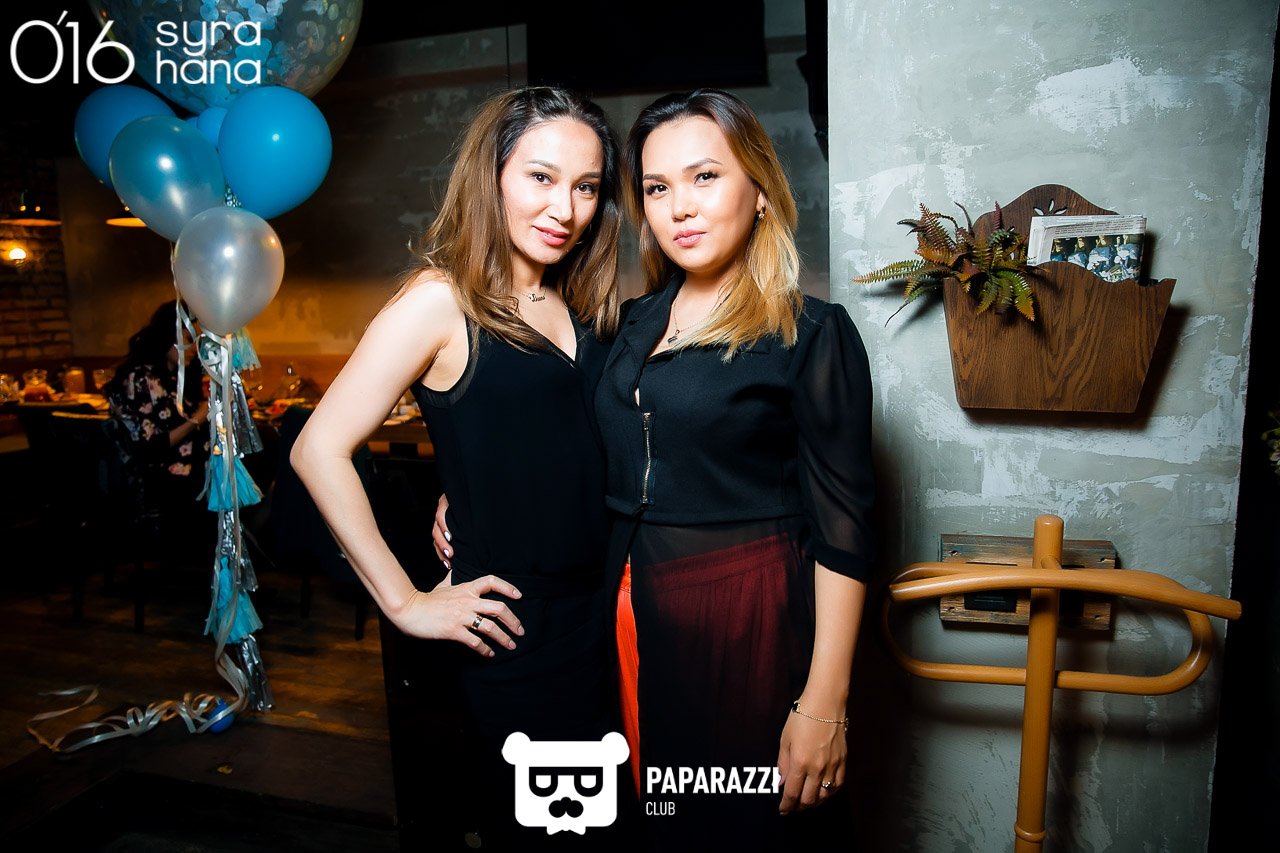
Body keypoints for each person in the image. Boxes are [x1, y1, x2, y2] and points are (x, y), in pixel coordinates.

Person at [433, 89, 876, 850]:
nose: (681, 207)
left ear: (760, 191)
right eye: (658, 187)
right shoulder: (625, 324)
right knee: (650, 823)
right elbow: (565, 432)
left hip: (745, 623)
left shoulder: (809, 332)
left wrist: (824, 702)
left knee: (742, 826)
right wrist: (466, 489)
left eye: (705, 177)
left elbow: (846, 531)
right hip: (619, 620)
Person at [289, 86, 635, 850]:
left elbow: (551, 436)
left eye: (585, 187)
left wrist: (472, 481)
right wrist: (406, 601)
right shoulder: (441, 300)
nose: (565, 207)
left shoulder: (577, 296)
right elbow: (317, 448)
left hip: (603, 619)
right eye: (540, 176)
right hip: (516, 632)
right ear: (492, 175)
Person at [104, 300, 210, 509]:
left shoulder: (175, 376)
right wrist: (197, 419)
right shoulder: (140, 378)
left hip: (196, 475)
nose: (194, 349)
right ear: (169, 335)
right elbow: (150, 447)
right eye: (189, 339)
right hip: (165, 484)